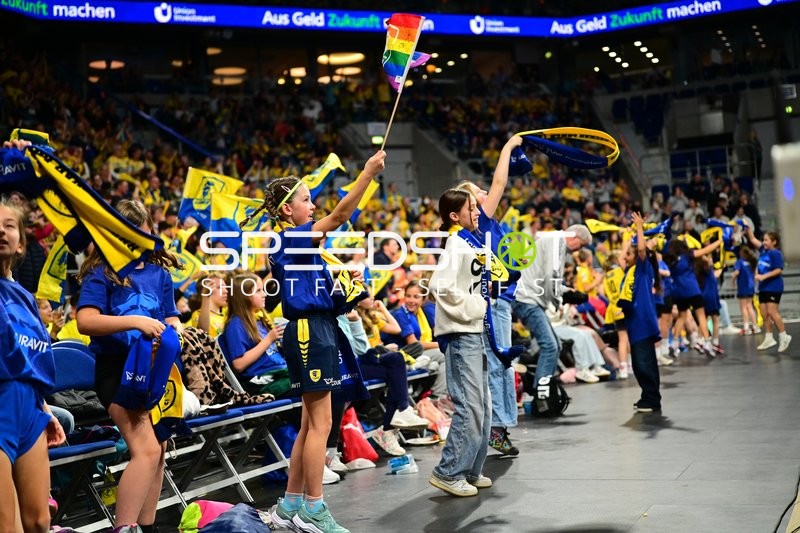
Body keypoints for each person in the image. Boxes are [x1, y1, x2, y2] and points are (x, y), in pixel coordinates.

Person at [266, 150, 385, 533]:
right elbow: (339, 216)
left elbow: (321, 295)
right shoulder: (291, 239)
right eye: (306, 200)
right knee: (321, 425)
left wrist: (344, 290)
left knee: (309, 425)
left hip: (316, 328)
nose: (313, 205)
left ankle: (291, 504)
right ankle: (314, 509)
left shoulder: (300, 247)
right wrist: (366, 173)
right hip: (309, 333)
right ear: (288, 210)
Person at [77, 199, 183, 533]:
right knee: (146, 450)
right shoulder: (101, 273)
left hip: (155, 370)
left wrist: (174, 332)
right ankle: (124, 527)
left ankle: (146, 528)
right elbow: (85, 321)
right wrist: (136, 321)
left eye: (143, 236)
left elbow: (170, 317)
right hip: (116, 370)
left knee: (159, 448)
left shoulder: (159, 273)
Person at [0, 196, 65, 533]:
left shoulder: (27, 299)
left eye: (9, 225)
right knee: (6, 523)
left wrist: (45, 409)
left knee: (39, 522)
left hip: (29, 407)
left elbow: (32, 359)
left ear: (22, 243)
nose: (1, 231)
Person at [455, 134, 522, 457]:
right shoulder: (480, 220)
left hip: (499, 299)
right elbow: (500, 182)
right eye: (478, 192)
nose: (485, 193)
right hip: (493, 302)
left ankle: (497, 426)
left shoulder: (486, 225)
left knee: (500, 363)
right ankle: (496, 428)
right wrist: (508, 146)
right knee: (499, 362)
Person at [428, 188, 490, 497]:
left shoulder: (469, 241)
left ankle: (470, 469)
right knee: (470, 405)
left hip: (473, 331)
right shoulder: (456, 242)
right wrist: (476, 307)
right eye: (472, 208)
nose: (477, 212)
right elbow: (439, 285)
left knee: (483, 406)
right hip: (462, 332)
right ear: (455, 216)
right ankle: (449, 471)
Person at [513, 224, 593, 387]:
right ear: (574, 237)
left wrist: (567, 292)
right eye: (581, 245)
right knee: (550, 346)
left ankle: (543, 389)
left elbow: (548, 278)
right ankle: (541, 391)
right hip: (527, 299)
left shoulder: (555, 241)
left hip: (529, 297)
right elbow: (550, 276)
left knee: (556, 345)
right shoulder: (555, 241)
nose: (578, 251)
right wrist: (559, 299)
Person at [618, 212, 662, 413]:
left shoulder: (643, 270)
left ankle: (652, 399)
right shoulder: (630, 271)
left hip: (643, 321)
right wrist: (627, 238)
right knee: (639, 363)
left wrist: (639, 228)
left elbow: (642, 249)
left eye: (629, 254)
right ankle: (647, 396)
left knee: (644, 363)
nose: (625, 257)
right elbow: (622, 256)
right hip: (635, 322)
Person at [217, 273, 288, 397]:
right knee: (307, 381)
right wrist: (269, 339)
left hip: (280, 372)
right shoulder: (236, 325)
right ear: (244, 296)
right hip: (261, 380)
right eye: (258, 291)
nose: (264, 294)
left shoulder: (259, 320)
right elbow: (238, 364)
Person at [663, 236, 722, 357]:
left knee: (681, 317)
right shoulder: (687, 255)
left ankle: (674, 343)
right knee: (701, 316)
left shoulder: (669, 260)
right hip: (692, 290)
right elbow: (705, 250)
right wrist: (719, 241)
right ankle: (706, 342)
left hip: (678, 292)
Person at [745, 228, 791, 352]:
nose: (764, 242)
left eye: (766, 240)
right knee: (764, 313)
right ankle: (769, 338)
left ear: (774, 242)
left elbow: (778, 270)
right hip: (764, 286)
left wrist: (763, 276)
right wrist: (747, 229)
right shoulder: (763, 251)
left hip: (773, 286)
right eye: (763, 240)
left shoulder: (775, 253)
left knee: (772, 311)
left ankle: (784, 336)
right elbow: (752, 239)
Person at [603, 250, 630, 378]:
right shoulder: (621, 271)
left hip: (614, 308)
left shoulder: (607, 275)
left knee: (622, 339)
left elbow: (604, 293)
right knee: (630, 337)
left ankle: (623, 367)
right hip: (625, 307)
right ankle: (631, 364)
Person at [732, 246, 759, 336]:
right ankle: (755, 326)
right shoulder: (751, 262)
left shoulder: (740, 262)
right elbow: (755, 274)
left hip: (743, 286)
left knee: (743, 307)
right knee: (750, 306)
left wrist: (733, 281)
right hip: (750, 287)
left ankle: (746, 328)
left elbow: (736, 272)